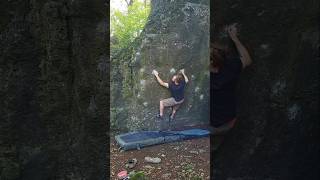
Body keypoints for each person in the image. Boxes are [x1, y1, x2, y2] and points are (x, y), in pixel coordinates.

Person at [210, 23, 252, 135]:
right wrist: (234, 38)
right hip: (229, 121)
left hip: (212, 125)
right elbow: (247, 59)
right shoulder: (231, 66)